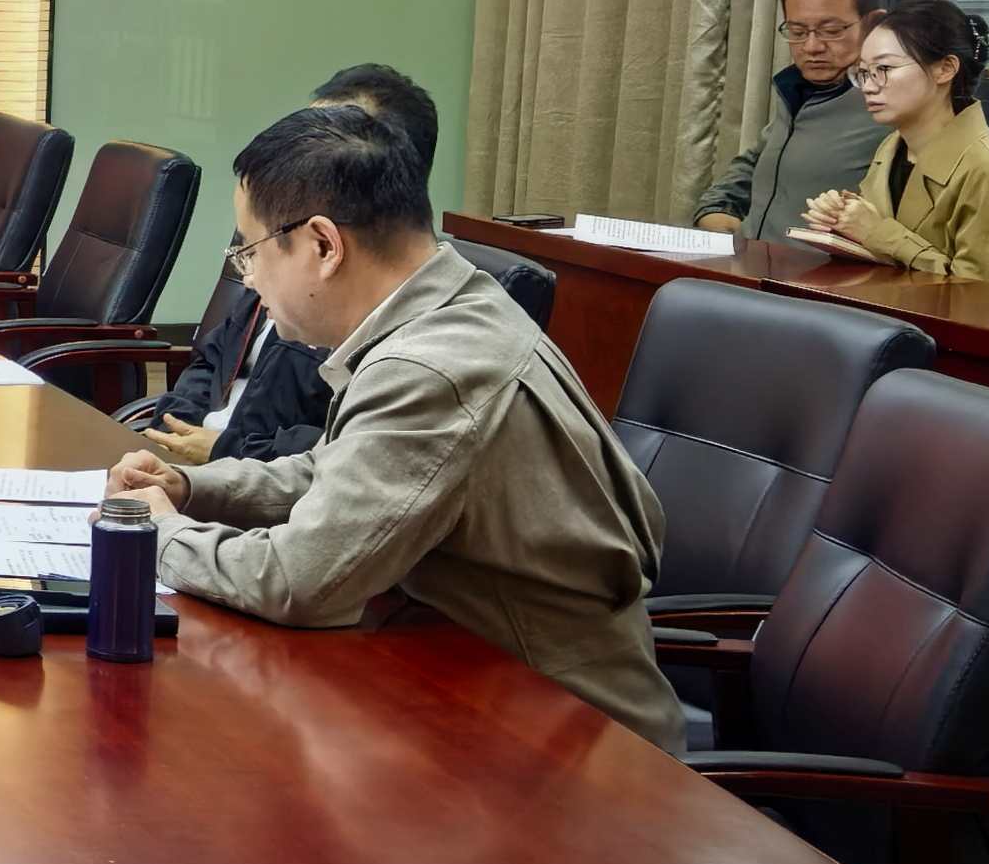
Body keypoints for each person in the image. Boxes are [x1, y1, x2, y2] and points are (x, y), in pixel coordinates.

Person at [104, 103, 680, 750]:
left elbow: (300, 581)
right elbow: (339, 472)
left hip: (566, 740)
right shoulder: (447, 307)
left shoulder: (430, 367)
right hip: (463, 682)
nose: (249, 278)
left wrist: (155, 534)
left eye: (250, 251)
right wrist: (192, 488)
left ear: (324, 246)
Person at [139, 64, 443, 472]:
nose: (248, 277)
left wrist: (227, 453)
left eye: (326, 136)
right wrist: (174, 431)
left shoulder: (408, 357)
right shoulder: (281, 245)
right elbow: (211, 357)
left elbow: (324, 468)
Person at [796, 0, 989, 292]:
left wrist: (877, 232)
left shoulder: (985, 168)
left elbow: (980, 295)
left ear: (945, 69)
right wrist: (843, 215)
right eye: (863, 73)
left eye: (884, 68)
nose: (870, 86)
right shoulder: (892, 146)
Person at [697, 0, 888, 243]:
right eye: (797, 31)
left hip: (823, 270)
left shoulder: (889, 106)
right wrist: (716, 207)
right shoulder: (800, 90)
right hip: (754, 263)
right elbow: (758, 160)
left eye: (831, 31)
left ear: (873, 24)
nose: (811, 46)